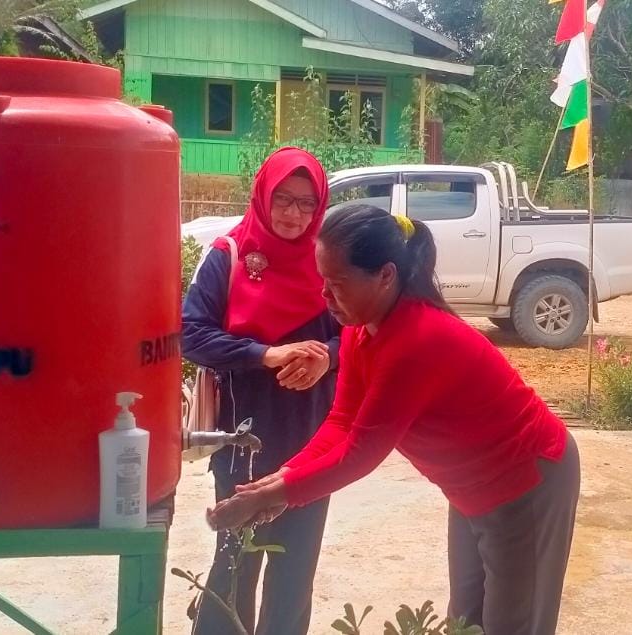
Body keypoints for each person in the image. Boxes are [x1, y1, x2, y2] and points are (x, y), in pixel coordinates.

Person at [207, 205, 581, 635]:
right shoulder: (359, 330)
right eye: (322, 283)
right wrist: (281, 479)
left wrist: (281, 492)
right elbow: (342, 421)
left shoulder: (416, 340)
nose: (324, 298)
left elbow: (362, 452)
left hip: (527, 480)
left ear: (385, 275)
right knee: (466, 621)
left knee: (512, 625)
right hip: (471, 488)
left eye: (337, 284)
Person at [181, 147, 341, 635]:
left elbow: (360, 330)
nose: (294, 214)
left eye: (307, 204)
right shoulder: (228, 256)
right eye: (283, 200)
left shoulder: (331, 261)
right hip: (244, 439)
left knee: (295, 570)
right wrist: (264, 354)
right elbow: (192, 334)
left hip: (313, 437)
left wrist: (326, 357)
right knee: (235, 562)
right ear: (262, 196)